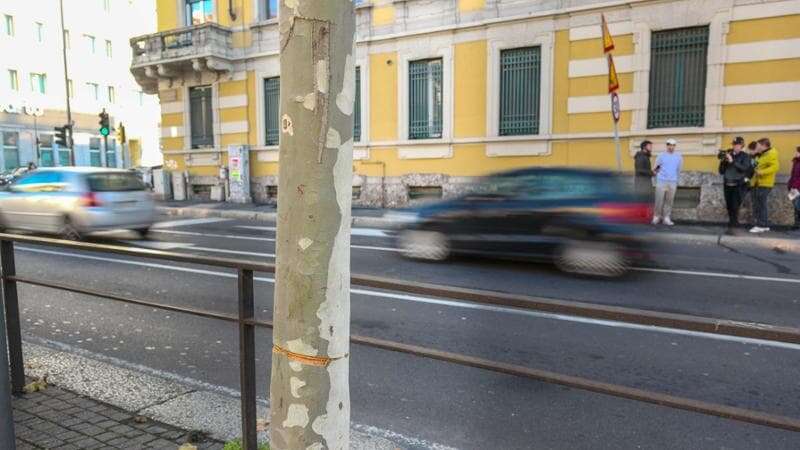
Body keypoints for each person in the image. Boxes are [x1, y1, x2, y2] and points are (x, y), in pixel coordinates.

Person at [718, 136, 752, 229]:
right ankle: (731, 222)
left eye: (737, 145)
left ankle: (734, 223)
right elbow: (721, 171)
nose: (735, 146)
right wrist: (723, 161)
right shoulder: (729, 154)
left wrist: (732, 161)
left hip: (738, 184)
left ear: (742, 146)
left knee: (735, 205)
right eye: (734, 144)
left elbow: (744, 168)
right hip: (727, 183)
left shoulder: (745, 156)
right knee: (729, 205)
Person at [749, 137, 780, 233]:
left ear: (764, 145)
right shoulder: (762, 154)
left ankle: (761, 225)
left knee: (760, 205)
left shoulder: (771, 154)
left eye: (758, 145)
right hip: (757, 183)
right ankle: (764, 225)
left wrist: (762, 172)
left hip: (765, 183)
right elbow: (756, 165)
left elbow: (775, 167)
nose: (757, 147)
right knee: (759, 204)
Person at [652, 138, 683, 226]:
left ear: (675, 146)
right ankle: (656, 216)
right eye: (669, 145)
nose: (671, 147)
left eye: (673, 145)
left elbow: (679, 169)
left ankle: (666, 217)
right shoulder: (661, 155)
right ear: (667, 146)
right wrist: (656, 177)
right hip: (661, 181)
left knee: (669, 200)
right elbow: (656, 168)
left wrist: (676, 180)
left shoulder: (679, 157)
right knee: (659, 199)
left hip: (672, 181)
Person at [788, 146, 800, 230]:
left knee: (798, 206)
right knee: (796, 206)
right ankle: (796, 224)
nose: (796, 153)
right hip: (794, 187)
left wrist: (794, 186)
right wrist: (790, 185)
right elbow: (793, 175)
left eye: (798, 152)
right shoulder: (796, 161)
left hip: (797, 187)